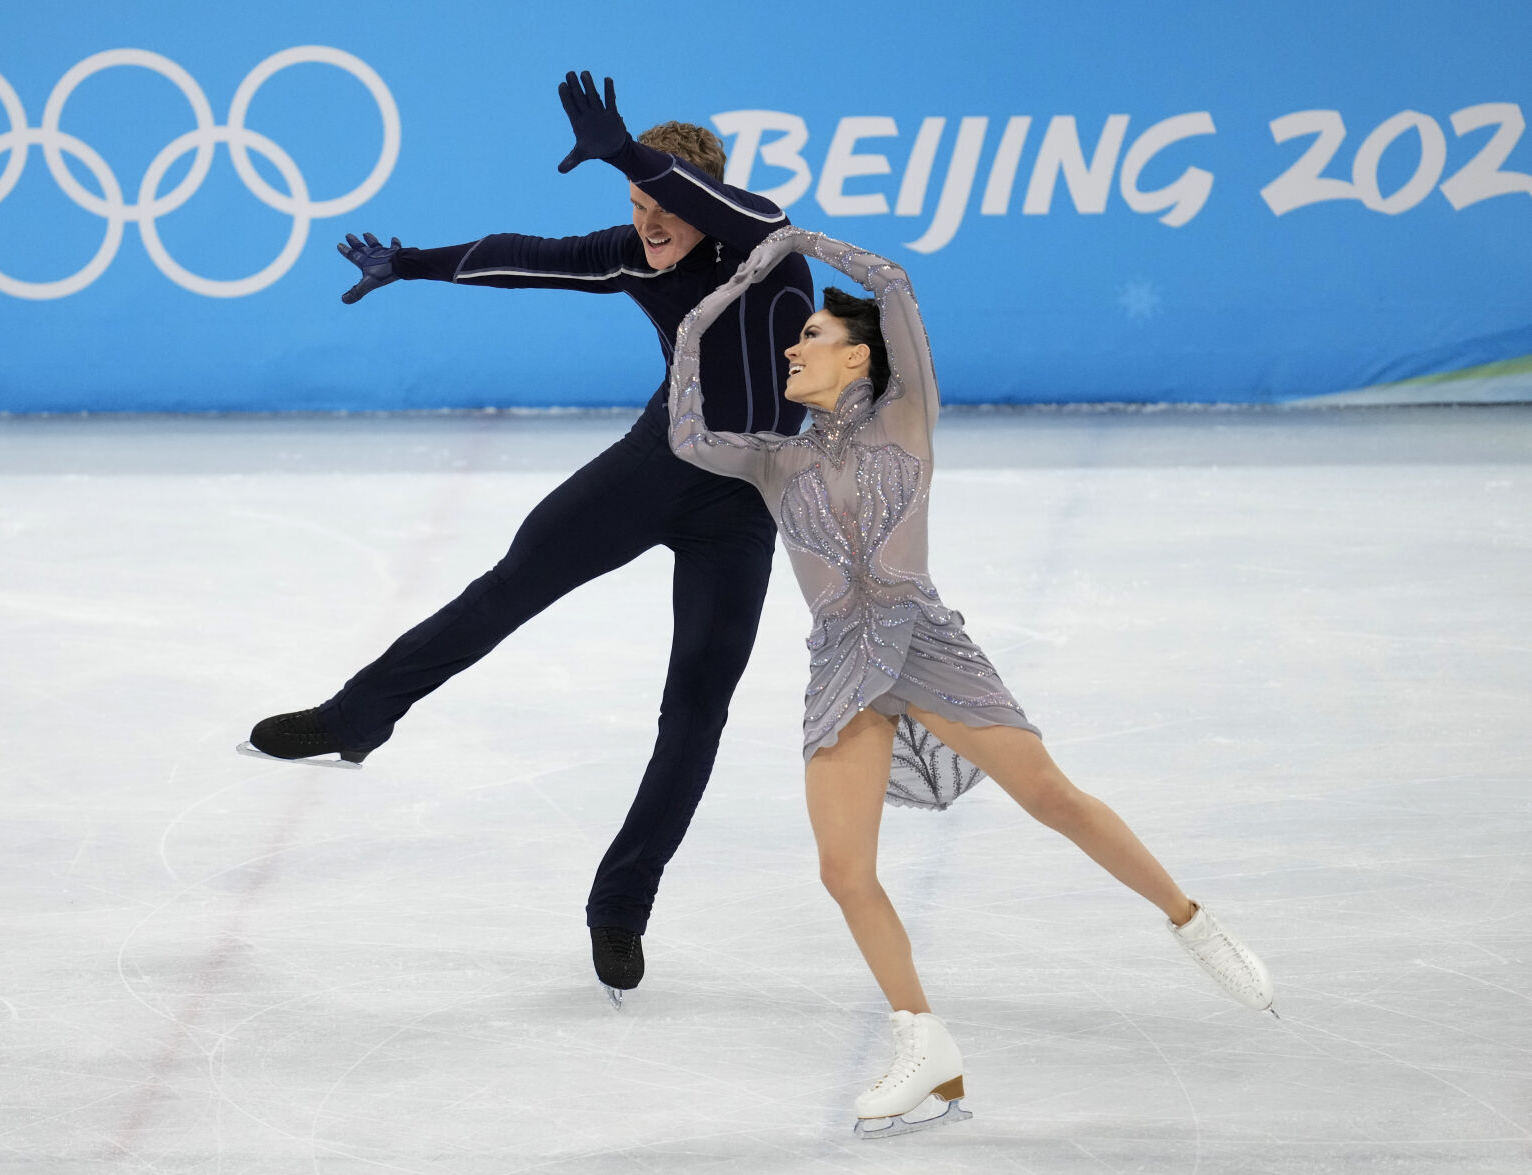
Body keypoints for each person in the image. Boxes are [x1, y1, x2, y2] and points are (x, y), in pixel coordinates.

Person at [665, 226, 1275, 1139]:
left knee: (1052, 797)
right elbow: (682, 430)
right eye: (790, 341)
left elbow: (895, 284)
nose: (791, 347)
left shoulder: (906, 416)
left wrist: (797, 241)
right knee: (843, 870)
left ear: (857, 355)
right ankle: (926, 1045)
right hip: (840, 665)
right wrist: (716, 299)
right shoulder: (771, 456)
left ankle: (1190, 919)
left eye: (810, 338)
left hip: (925, 644)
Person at [241, 73, 816, 1006]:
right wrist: (411, 262)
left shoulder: (767, 244)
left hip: (745, 503)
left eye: (661, 203)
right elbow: (525, 256)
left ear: (701, 199)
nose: (647, 221)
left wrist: (638, 155)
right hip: (655, 462)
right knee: (504, 589)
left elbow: (720, 206)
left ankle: (621, 903)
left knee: (696, 706)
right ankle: (357, 714)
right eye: (633, 205)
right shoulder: (636, 252)